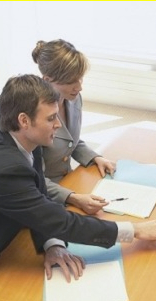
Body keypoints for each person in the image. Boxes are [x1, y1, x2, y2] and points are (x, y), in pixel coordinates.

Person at [0, 74, 156, 281]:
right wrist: (134, 230)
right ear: (24, 121)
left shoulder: (27, 140)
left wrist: (52, 243)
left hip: (11, 229)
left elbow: (39, 199)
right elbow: (60, 221)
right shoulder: (5, 169)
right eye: (51, 118)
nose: (58, 124)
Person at [33, 39, 115, 215]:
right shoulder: (35, 117)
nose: (79, 87)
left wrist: (94, 157)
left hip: (69, 180)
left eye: (80, 78)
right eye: (71, 81)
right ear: (47, 80)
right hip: (47, 194)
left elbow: (70, 140)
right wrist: (73, 197)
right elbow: (35, 180)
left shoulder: (73, 99)